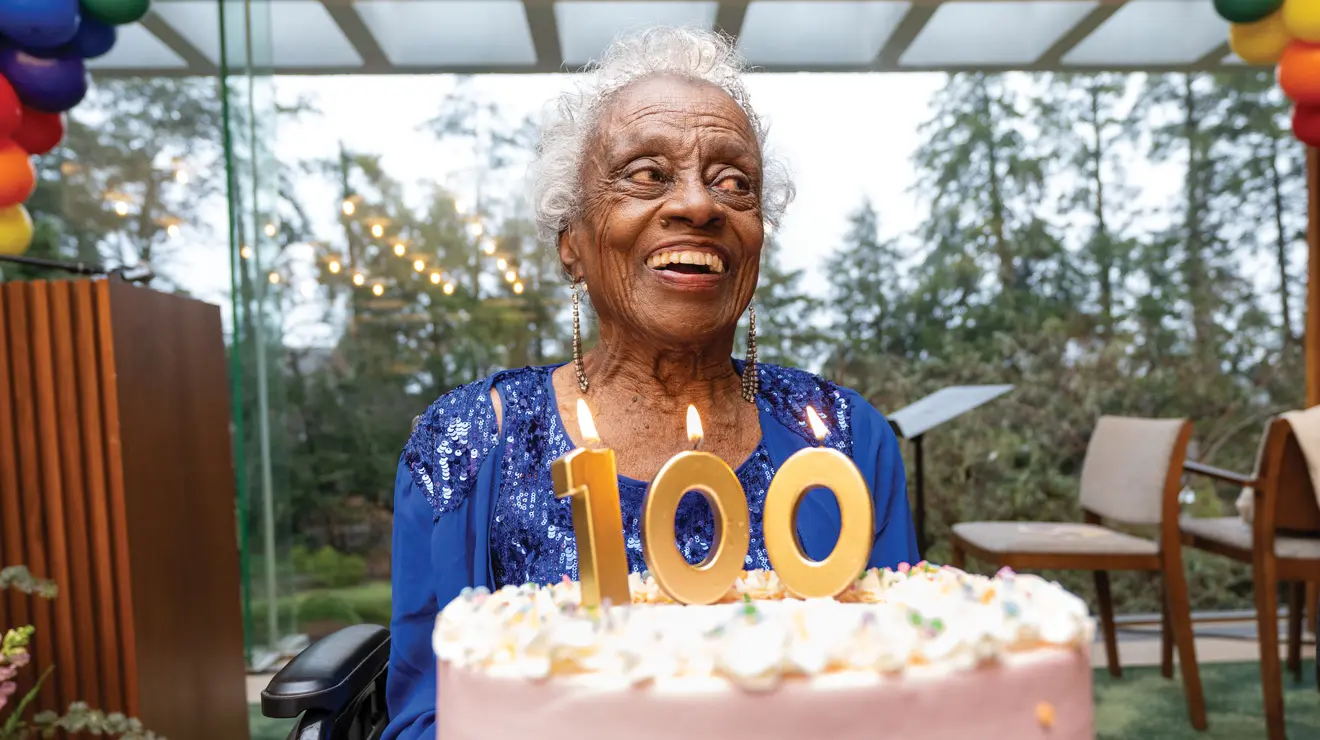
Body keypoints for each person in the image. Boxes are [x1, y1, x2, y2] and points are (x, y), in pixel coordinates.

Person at [383, 26, 918, 739]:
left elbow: (912, 692)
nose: (701, 206)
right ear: (572, 243)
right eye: (645, 174)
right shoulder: (469, 442)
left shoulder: (848, 441)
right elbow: (428, 715)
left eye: (735, 183)